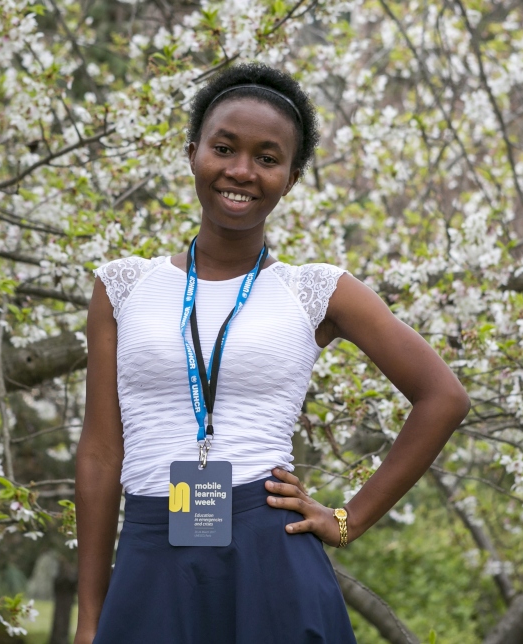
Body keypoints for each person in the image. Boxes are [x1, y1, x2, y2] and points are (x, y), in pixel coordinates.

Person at [74, 63, 470, 644]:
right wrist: (89, 619)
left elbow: (444, 398)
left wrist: (348, 518)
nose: (241, 171)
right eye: (224, 148)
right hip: (150, 551)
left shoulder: (316, 289)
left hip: (270, 556)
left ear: (292, 176)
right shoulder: (123, 286)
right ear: (193, 153)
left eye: (267, 157)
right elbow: (101, 454)